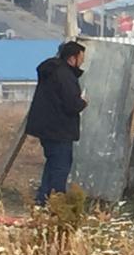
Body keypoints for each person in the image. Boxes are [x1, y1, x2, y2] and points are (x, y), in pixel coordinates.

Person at [25, 40, 87, 206]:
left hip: (47, 127)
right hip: (59, 128)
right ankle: (57, 202)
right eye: (81, 58)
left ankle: (43, 199)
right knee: (61, 166)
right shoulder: (65, 75)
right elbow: (71, 104)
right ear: (72, 58)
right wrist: (82, 102)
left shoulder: (51, 71)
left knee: (52, 163)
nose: (82, 62)